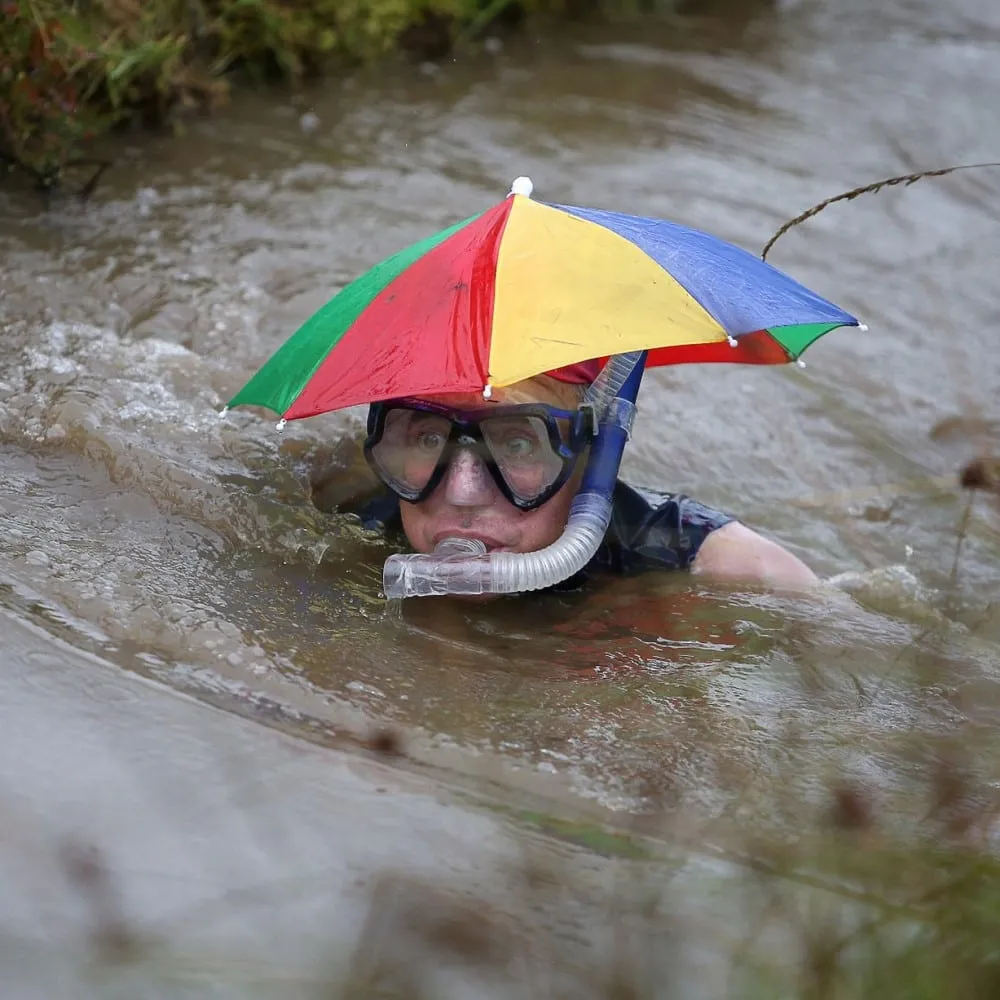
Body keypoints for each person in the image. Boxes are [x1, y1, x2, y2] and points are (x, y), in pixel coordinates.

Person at [346, 359, 819, 593]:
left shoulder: (695, 559)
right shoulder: (353, 499)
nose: (463, 493)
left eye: (516, 444)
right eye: (431, 440)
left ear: (591, 458)